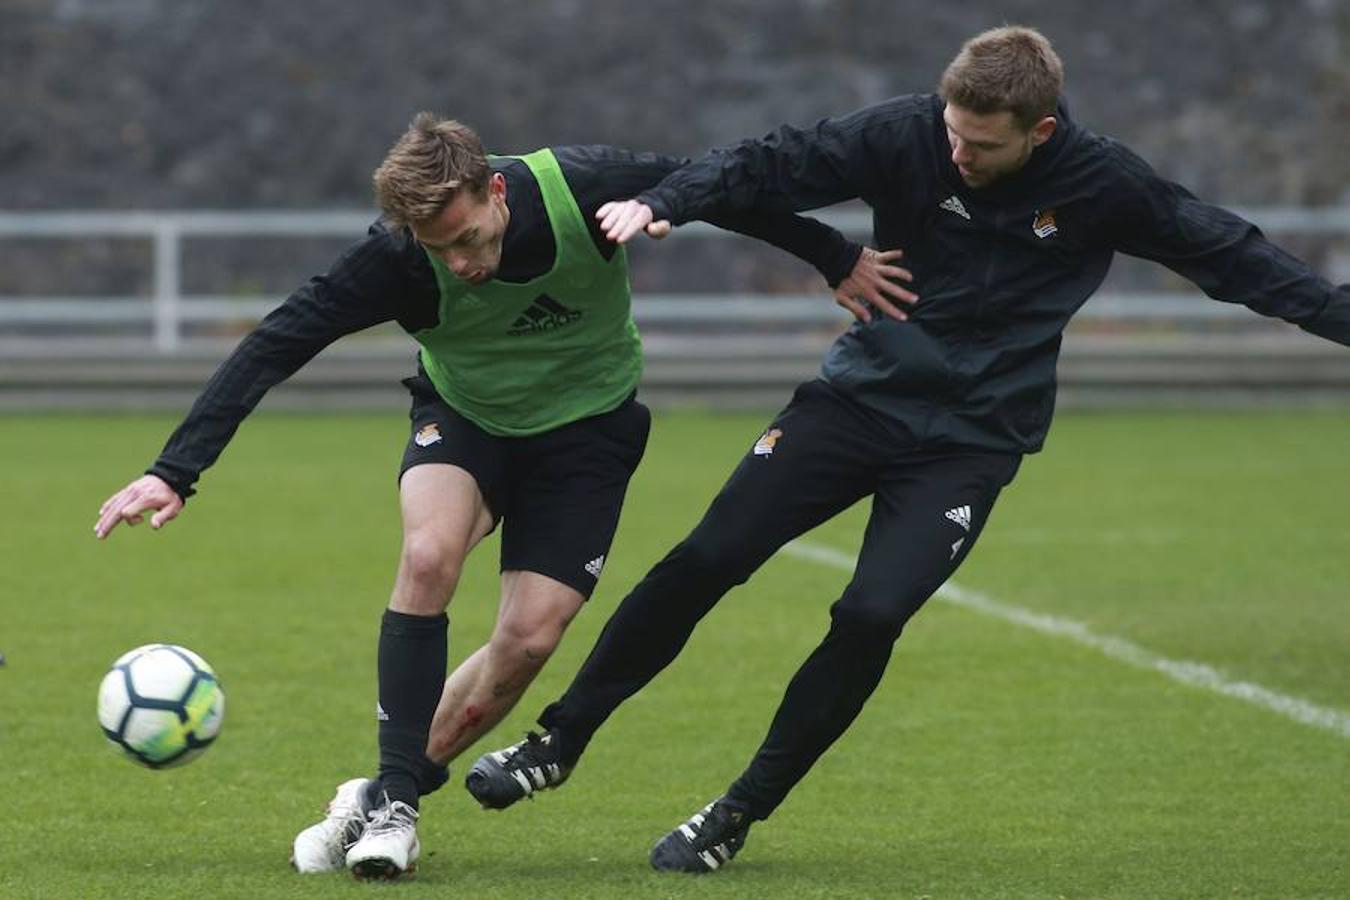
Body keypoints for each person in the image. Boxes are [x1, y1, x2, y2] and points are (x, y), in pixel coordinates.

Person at [465, 25, 1350, 874]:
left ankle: (736, 812)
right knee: (709, 556)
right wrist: (667, 202)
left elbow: (1236, 257)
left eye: (983, 145)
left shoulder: (1104, 182)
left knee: (871, 615)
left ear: (1041, 131)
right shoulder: (907, 133)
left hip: (971, 442)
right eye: (952, 132)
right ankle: (557, 741)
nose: (958, 154)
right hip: (857, 402)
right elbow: (767, 162)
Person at [91, 113, 914, 879]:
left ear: (495, 190)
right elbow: (276, 341)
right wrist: (175, 470)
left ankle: (376, 794)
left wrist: (833, 255)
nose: (459, 263)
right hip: (468, 420)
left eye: (467, 238)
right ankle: (399, 810)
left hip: (588, 436)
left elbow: (719, 187)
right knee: (428, 555)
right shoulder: (397, 259)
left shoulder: (584, 186)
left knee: (526, 642)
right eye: (437, 248)